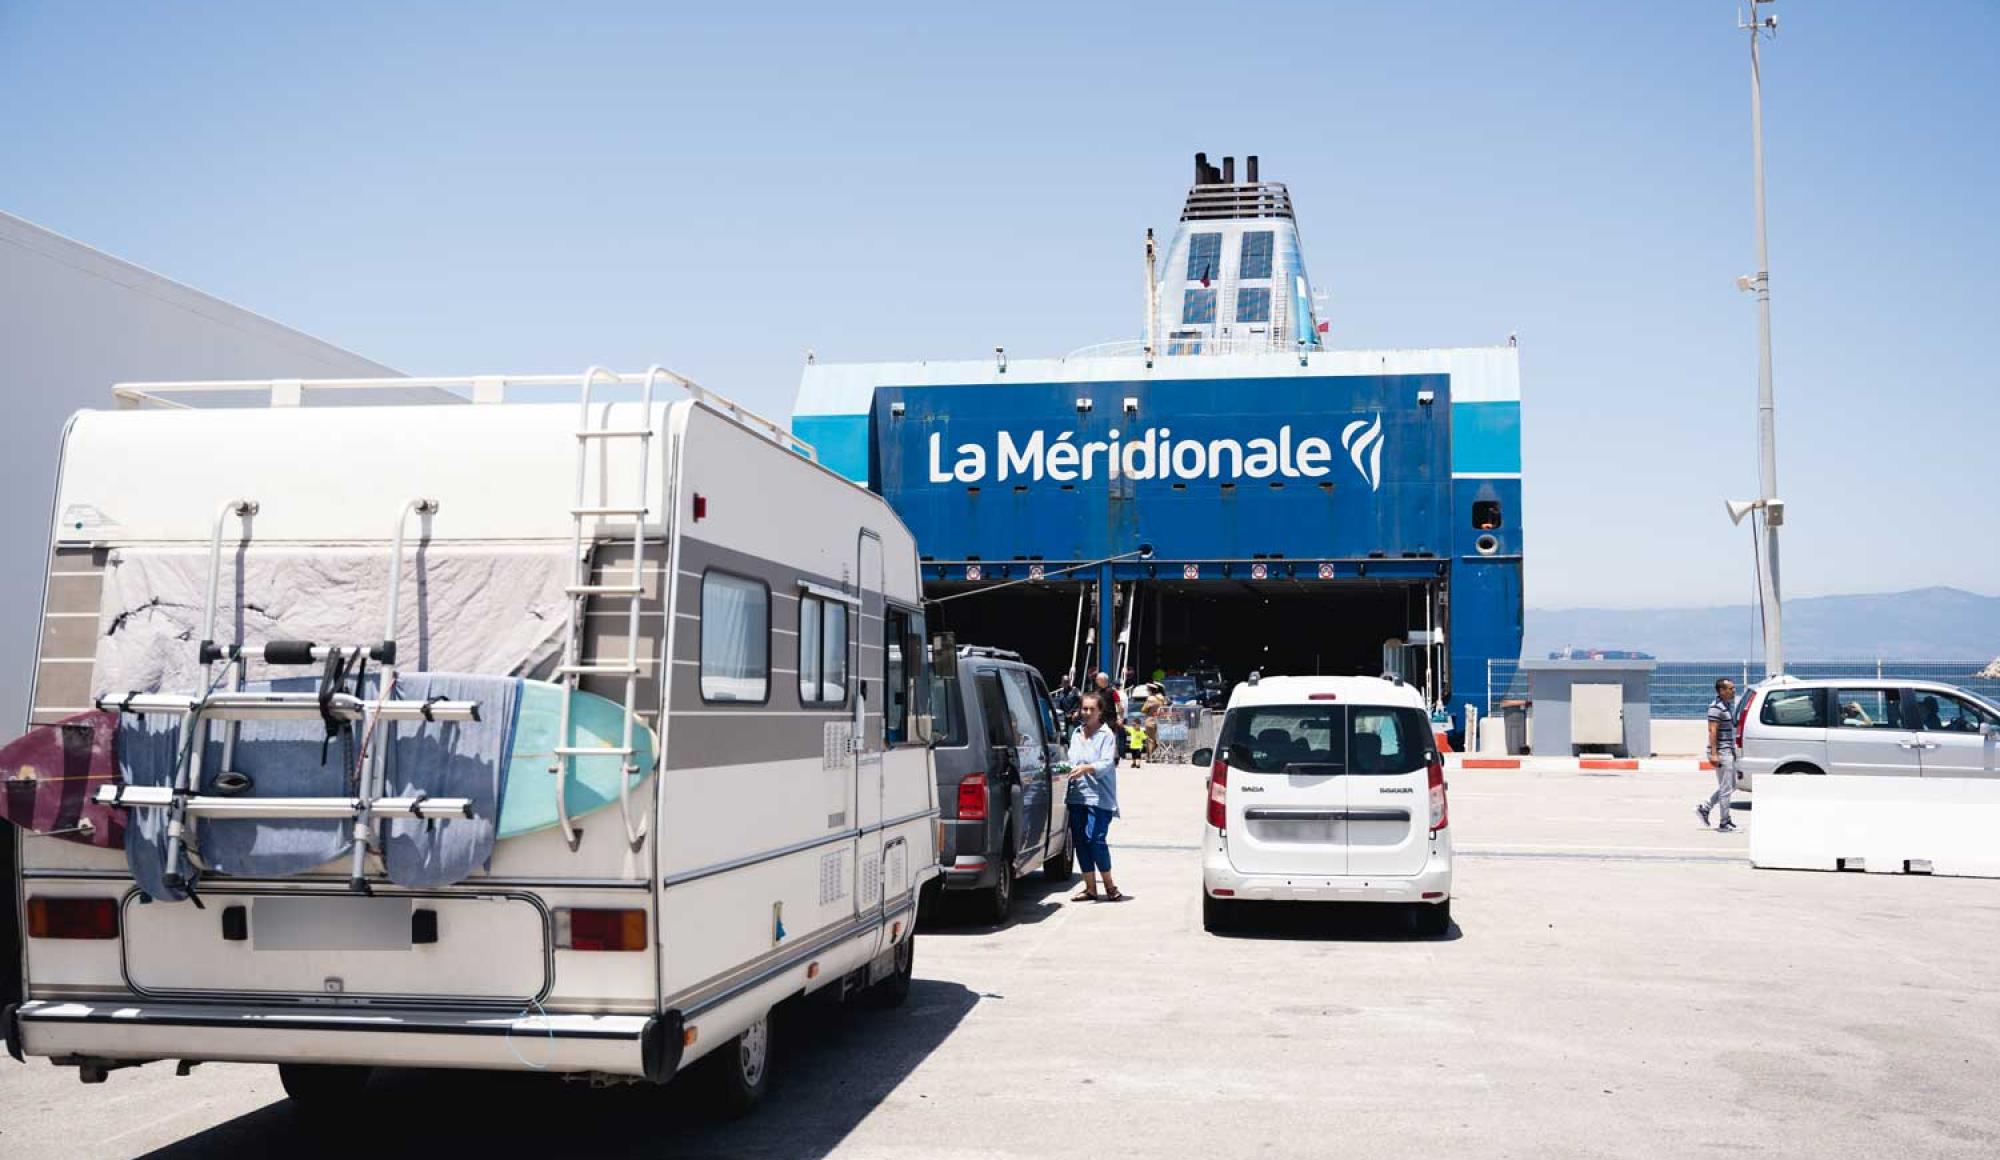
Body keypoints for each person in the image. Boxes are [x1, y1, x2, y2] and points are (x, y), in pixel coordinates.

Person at [1065, 692, 1123, 902]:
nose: (1087, 713)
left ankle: (1109, 885)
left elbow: (1108, 763)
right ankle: (1090, 888)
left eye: (1092, 709)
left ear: (1100, 711)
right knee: (1080, 841)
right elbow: (1071, 760)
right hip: (1077, 796)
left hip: (1099, 797)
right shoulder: (1076, 733)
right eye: (1085, 709)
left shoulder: (1106, 735)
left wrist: (1087, 768)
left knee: (1095, 839)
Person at [1696, 677, 1740, 832]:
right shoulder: (1716, 708)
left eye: (1733, 688)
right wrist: (1714, 754)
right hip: (1721, 751)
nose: (1734, 690)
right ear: (1721, 691)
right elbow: (1712, 731)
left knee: (1730, 785)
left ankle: (1705, 807)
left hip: (1727, 750)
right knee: (1727, 788)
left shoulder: (1727, 706)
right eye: (1730, 688)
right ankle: (1724, 822)